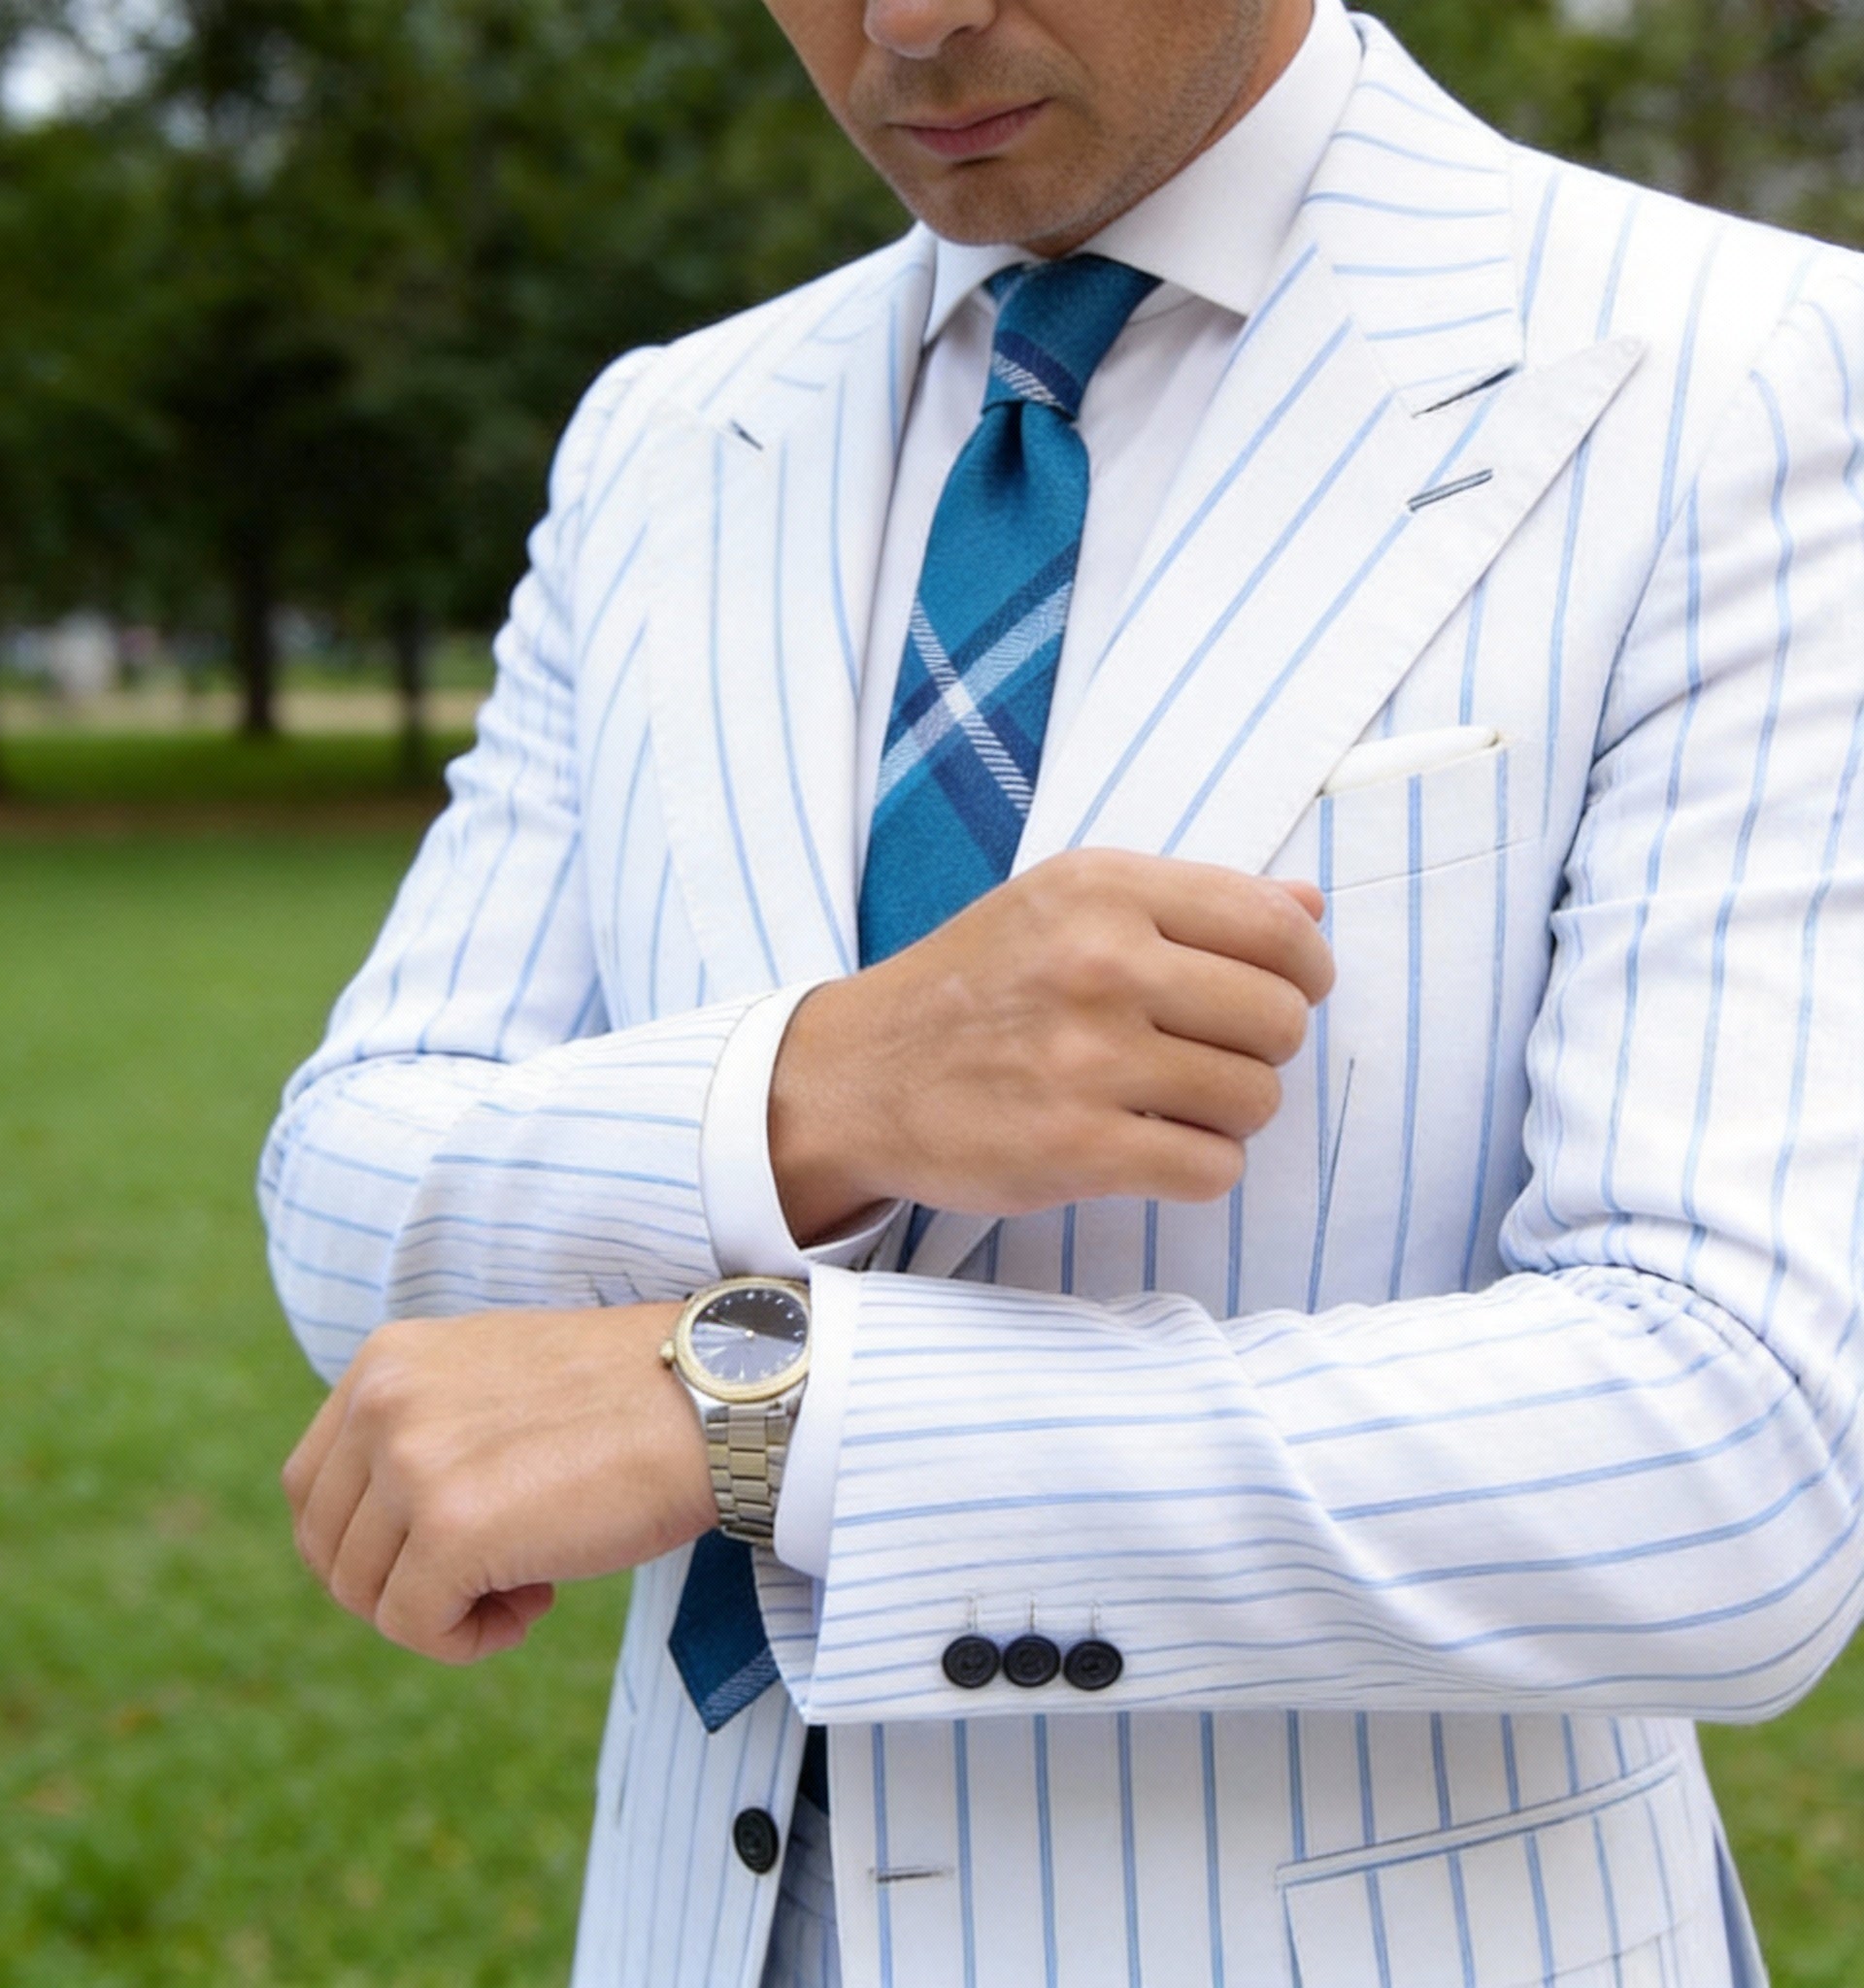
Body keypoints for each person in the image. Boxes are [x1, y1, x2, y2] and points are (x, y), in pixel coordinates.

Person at [261, 0, 1864, 1980]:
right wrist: (820, 1095)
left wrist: (758, 1405)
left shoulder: (1755, 374)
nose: (912, 18)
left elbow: (1728, 1465)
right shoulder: (673, 434)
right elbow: (344, 1190)